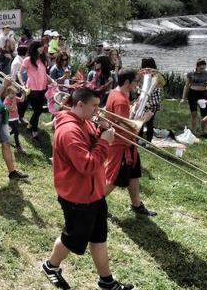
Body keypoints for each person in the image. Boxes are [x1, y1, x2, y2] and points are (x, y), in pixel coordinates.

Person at [42, 87, 133, 290]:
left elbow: (94, 147)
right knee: (73, 238)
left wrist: (101, 131)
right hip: (78, 196)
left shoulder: (84, 122)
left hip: (94, 193)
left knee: (99, 237)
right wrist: (104, 141)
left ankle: (106, 281)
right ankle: (50, 266)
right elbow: (88, 164)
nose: (97, 110)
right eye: (94, 106)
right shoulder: (69, 131)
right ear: (80, 105)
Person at [104, 68, 156, 216]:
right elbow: (125, 129)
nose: (137, 85)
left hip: (128, 144)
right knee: (113, 179)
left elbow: (122, 119)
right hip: (121, 144)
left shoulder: (116, 92)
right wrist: (143, 119)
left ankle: (137, 205)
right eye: (135, 82)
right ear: (127, 82)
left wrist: (133, 109)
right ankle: (91, 204)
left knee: (134, 174)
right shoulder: (120, 100)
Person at [19, 41, 55, 141]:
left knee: (37, 111)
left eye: (42, 46)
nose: (42, 48)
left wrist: (51, 80)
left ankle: (31, 128)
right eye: (40, 47)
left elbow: (44, 73)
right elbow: (19, 73)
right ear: (34, 48)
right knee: (38, 110)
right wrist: (23, 85)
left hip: (42, 88)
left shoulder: (43, 59)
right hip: (32, 88)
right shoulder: (28, 60)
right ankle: (32, 130)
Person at [181, 59, 207, 136]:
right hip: (192, 94)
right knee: (194, 113)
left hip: (203, 94)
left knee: (204, 113)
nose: (203, 70)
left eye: (204, 68)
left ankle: (203, 131)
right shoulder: (190, 73)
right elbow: (187, 85)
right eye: (201, 68)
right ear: (197, 67)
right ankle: (193, 131)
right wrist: (183, 98)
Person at [137, 58, 163, 142]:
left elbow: (138, 88)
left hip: (148, 102)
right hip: (151, 102)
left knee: (141, 121)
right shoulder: (157, 75)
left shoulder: (155, 76)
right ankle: (148, 141)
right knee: (149, 122)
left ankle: (141, 139)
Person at [3, 86, 25, 153]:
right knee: (16, 132)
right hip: (10, 119)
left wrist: (24, 93)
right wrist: (13, 102)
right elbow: (10, 110)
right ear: (8, 93)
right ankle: (18, 146)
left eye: (15, 93)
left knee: (14, 130)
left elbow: (21, 100)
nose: (14, 95)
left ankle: (5, 137)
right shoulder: (6, 101)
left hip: (15, 117)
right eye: (12, 93)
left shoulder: (14, 97)